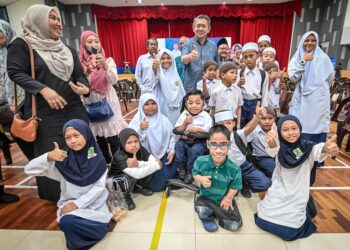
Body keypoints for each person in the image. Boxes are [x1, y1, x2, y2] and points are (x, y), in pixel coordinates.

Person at [7, 5, 90, 202]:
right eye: (52, 18)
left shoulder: (67, 49)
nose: (58, 23)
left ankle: (85, 189)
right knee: (53, 154)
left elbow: (79, 76)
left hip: (74, 110)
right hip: (46, 116)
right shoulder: (21, 45)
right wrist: (43, 89)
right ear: (37, 21)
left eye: (59, 19)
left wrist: (85, 89)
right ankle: (60, 198)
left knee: (81, 149)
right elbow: (15, 72)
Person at [25, 119, 111, 250]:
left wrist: (78, 204)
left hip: (94, 204)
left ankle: (94, 232)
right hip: (70, 205)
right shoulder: (63, 159)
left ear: (86, 135)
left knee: (95, 222)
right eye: (68, 137)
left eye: (76, 135)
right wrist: (48, 156)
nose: (73, 141)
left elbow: (98, 188)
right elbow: (29, 169)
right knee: (67, 222)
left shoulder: (98, 159)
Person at [255, 115, 339, 241]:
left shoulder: (308, 147)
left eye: (294, 128)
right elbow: (273, 148)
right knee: (264, 219)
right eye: (285, 130)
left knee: (289, 230)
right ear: (279, 132)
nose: (290, 133)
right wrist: (271, 141)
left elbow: (318, 149)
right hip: (279, 190)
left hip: (298, 194)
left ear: (300, 128)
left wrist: (327, 148)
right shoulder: (279, 146)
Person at [288, 31, 334, 199]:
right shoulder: (297, 57)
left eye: (313, 40)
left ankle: (310, 178)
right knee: (299, 135)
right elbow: (293, 77)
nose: (310, 43)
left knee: (316, 134)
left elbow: (330, 78)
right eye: (307, 40)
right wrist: (303, 61)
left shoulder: (324, 59)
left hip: (319, 101)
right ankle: (296, 174)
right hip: (302, 102)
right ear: (302, 42)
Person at [79, 30, 128, 163]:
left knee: (113, 138)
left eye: (96, 41)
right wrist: (88, 71)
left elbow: (113, 80)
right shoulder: (80, 65)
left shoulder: (109, 61)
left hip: (108, 104)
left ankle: (118, 163)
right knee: (99, 138)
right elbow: (82, 86)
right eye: (89, 42)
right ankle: (106, 162)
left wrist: (105, 65)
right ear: (83, 45)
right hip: (91, 105)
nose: (94, 44)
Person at [193, 124, 242, 232]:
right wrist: (200, 179)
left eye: (223, 144)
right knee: (202, 210)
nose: (218, 151)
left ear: (229, 145)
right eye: (213, 144)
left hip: (223, 199)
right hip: (206, 198)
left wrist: (228, 198)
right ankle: (207, 217)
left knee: (234, 225)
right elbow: (195, 173)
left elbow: (235, 186)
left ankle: (218, 213)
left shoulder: (235, 168)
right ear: (207, 144)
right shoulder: (200, 161)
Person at [214, 107, 271, 198]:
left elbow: (249, 128)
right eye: (220, 124)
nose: (225, 126)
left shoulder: (239, 134)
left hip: (243, 167)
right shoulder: (213, 138)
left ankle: (244, 183)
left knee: (265, 183)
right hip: (225, 169)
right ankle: (235, 185)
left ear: (233, 124)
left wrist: (257, 117)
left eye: (228, 123)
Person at [129, 93, 178, 191]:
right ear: (141, 106)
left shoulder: (164, 119)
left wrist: (171, 150)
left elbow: (173, 136)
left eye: (153, 103)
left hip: (164, 155)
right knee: (156, 186)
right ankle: (169, 177)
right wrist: (140, 129)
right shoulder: (137, 121)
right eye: (146, 104)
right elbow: (130, 143)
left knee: (180, 151)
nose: (150, 107)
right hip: (145, 158)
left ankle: (169, 175)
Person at [108, 128, 161, 210]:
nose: (134, 145)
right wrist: (156, 166)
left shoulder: (140, 149)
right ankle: (124, 196)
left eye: (136, 141)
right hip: (115, 182)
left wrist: (139, 164)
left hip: (133, 177)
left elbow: (152, 160)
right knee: (127, 176)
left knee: (146, 167)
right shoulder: (119, 156)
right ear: (122, 143)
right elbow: (138, 174)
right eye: (129, 142)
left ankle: (137, 187)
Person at [174, 90, 213, 183]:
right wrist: (185, 123)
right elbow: (177, 129)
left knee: (194, 151)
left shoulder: (206, 116)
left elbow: (209, 131)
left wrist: (197, 130)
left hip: (199, 141)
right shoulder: (184, 114)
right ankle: (181, 168)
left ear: (203, 104)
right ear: (186, 105)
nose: (194, 106)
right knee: (179, 146)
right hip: (185, 140)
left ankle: (190, 171)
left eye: (197, 103)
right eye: (190, 103)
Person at [181, 14, 218, 93]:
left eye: (204, 26)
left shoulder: (213, 46)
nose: (200, 28)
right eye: (198, 26)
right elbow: (183, 60)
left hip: (209, 88)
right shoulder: (187, 43)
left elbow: (217, 66)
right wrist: (190, 56)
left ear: (208, 29)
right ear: (193, 28)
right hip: (191, 87)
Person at [235, 42, 269, 127]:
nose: (248, 59)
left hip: (256, 105)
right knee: (241, 128)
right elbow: (234, 91)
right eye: (245, 57)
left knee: (254, 128)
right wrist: (239, 84)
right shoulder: (240, 72)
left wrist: (263, 110)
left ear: (257, 56)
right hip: (242, 104)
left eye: (251, 56)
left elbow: (265, 95)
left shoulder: (263, 74)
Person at [152, 49, 186, 125]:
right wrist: (155, 68)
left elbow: (180, 91)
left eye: (168, 58)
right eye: (163, 58)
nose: (166, 60)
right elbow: (154, 78)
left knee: (175, 126)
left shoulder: (175, 73)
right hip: (162, 105)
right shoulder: (159, 72)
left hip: (175, 107)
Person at [209, 62, 243, 128]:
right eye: (232, 72)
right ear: (223, 75)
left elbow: (239, 108)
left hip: (233, 121)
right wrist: (211, 124)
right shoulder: (216, 91)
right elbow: (213, 108)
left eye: (236, 73)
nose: (235, 75)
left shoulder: (237, 90)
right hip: (220, 122)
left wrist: (238, 125)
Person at [248, 106, 276, 178]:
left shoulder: (277, 129)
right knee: (275, 171)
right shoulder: (254, 131)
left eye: (270, 118)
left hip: (276, 157)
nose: (267, 122)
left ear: (274, 119)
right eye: (263, 118)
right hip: (261, 157)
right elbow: (243, 134)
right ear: (259, 119)